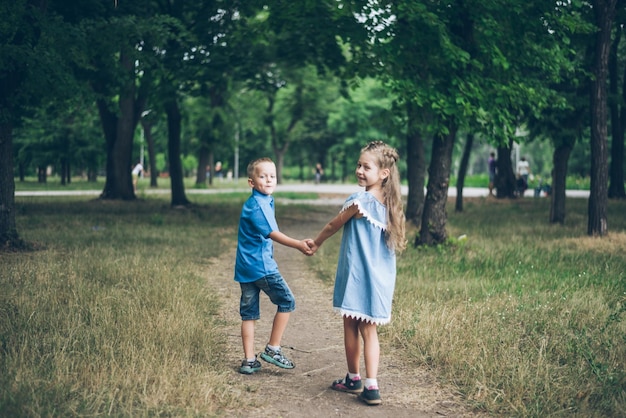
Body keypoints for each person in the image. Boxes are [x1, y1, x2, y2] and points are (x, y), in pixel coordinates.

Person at [306, 141, 406, 406]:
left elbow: (332, 225)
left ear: (383, 173)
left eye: (366, 167)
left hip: (357, 276)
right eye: (358, 165)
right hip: (381, 279)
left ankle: (354, 378)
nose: (359, 170)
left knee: (351, 324)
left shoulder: (359, 201)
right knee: (369, 330)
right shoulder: (391, 205)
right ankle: (371, 385)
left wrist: (316, 242)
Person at [234, 157, 313, 375]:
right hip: (262, 267)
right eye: (262, 176)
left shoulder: (258, 201)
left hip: (245, 268)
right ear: (251, 182)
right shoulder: (258, 206)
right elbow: (273, 234)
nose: (269, 180)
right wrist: (298, 244)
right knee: (287, 301)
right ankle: (272, 348)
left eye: (272, 176)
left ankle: (249, 360)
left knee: (248, 314)